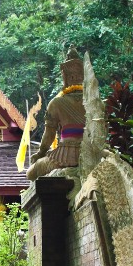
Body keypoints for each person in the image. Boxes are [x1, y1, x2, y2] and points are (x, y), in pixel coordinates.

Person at [26, 46, 86, 181]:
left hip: (65, 156)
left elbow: (49, 134)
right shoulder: (95, 101)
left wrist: (41, 153)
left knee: (31, 173)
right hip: (91, 153)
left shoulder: (57, 103)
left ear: (66, 77)